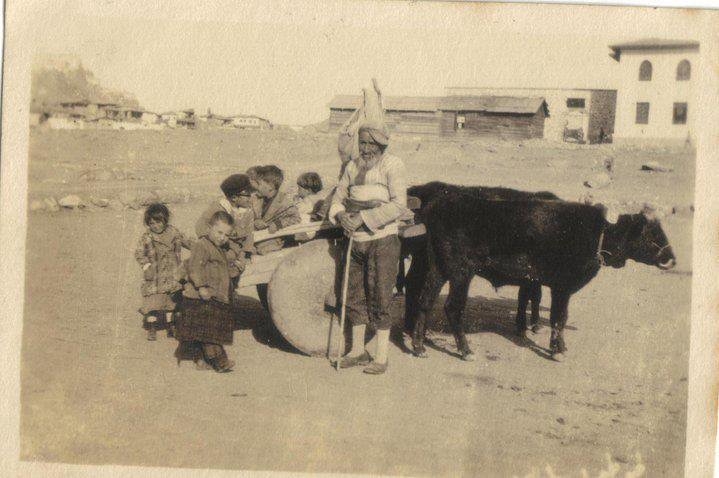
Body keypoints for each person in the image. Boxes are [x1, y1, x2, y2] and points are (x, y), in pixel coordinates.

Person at [329, 121, 407, 375]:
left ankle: (381, 357)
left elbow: (398, 205)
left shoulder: (392, 165)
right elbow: (338, 199)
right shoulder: (352, 166)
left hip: (382, 239)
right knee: (354, 295)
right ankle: (357, 351)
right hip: (356, 241)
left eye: (371, 144)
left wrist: (363, 218)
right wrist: (341, 217)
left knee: (380, 295)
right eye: (362, 143)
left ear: (381, 145)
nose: (366, 149)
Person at [175, 211, 237, 372]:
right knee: (210, 334)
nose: (223, 237)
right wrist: (201, 286)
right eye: (219, 232)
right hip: (201, 296)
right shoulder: (202, 245)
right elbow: (195, 268)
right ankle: (220, 362)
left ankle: (200, 360)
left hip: (212, 296)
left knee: (204, 331)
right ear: (209, 228)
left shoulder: (218, 247)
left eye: (226, 234)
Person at [134, 203, 193, 341]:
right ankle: (152, 327)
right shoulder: (146, 237)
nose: (155, 226)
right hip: (155, 275)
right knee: (153, 302)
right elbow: (139, 253)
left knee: (171, 302)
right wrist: (146, 266)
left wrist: (200, 247)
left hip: (173, 273)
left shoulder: (174, 232)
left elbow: (188, 242)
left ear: (165, 220)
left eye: (158, 222)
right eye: (151, 223)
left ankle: (170, 325)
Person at [249, 165, 302, 309]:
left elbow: (295, 217)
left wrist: (278, 224)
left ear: (271, 185)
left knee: (274, 286)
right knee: (261, 286)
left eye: (260, 184)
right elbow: (249, 216)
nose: (257, 187)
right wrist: (255, 222)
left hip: (274, 246)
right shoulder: (255, 199)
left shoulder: (284, 200)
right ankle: (268, 312)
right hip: (257, 245)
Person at [196, 174, 255, 292]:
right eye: (247, 195)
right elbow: (202, 229)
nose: (250, 198)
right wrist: (235, 254)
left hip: (235, 252)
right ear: (234, 197)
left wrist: (244, 254)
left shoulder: (246, 211)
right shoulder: (219, 210)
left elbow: (249, 233)